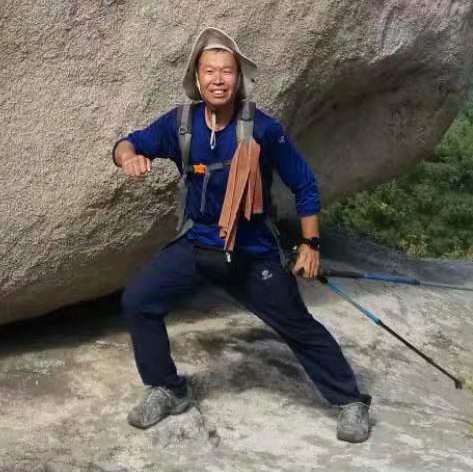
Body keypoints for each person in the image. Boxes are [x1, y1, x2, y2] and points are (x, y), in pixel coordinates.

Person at [113, 26, 372, 443]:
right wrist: (129, 158)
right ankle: (168, 388)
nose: (218, 79)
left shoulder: (264, 130)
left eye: (227, 71)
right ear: (197, 80)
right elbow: (125, 144)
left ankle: (350, 400)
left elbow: (304, 185)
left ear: (239, 78)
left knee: (297, 326)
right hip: (198, 245)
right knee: (139, 300)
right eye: (210, 71)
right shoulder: (180, 124)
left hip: (251, 252)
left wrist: (310, 245)